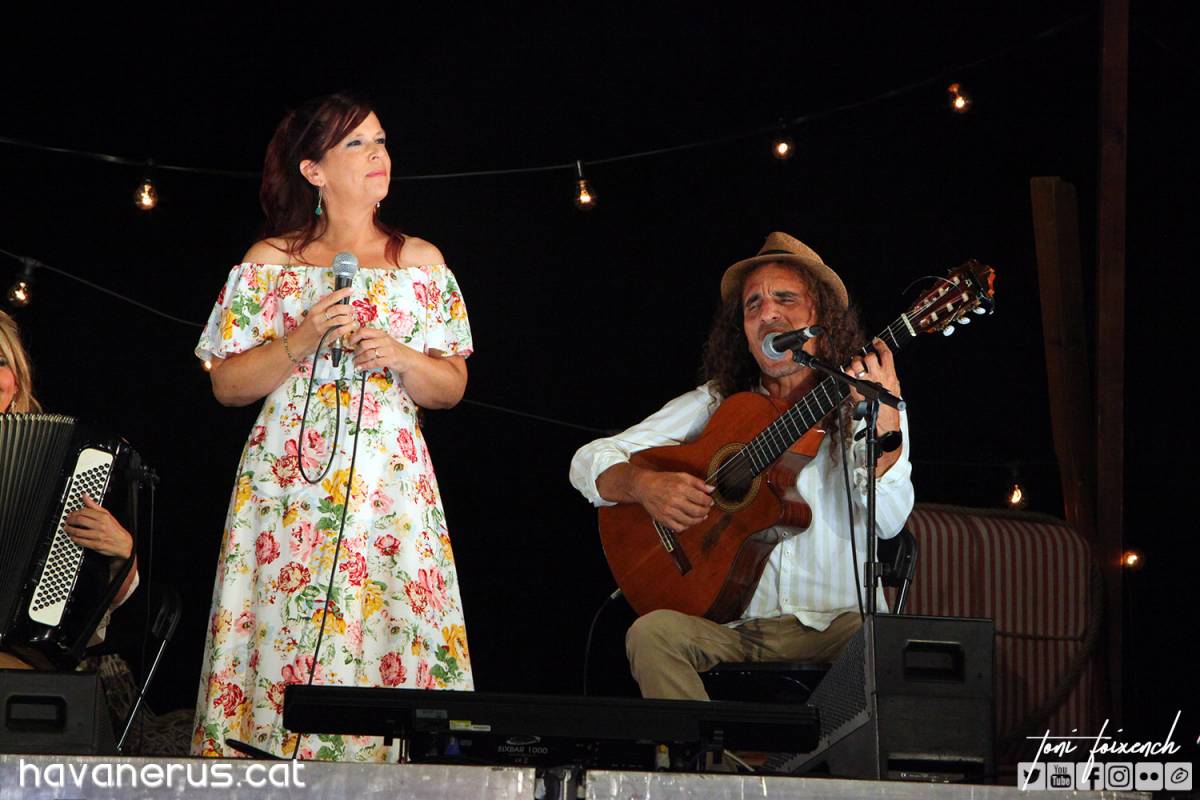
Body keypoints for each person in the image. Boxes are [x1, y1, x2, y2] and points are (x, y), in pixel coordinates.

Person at [191, 93, 474, 761]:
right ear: (313, 170)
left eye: (381, 140)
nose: (378, 154)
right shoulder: (271, 261)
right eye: (357, 144)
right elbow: (226, 384)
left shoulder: (420, 262)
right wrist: (301, 337)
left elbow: (452, 387)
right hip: (288, 487)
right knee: (285, 632)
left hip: (389, 486)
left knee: (389, 624)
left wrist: (401, 356)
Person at [569, 232, 914, 700]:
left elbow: (890, 521)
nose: (767, 312)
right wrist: (645, 485)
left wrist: (884, 425)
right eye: (753, 304)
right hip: (737, 629)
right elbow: (588, 461)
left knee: (880, 642)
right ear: (745, 333)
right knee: (651, 634)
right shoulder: (718, 403)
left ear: (821, 319)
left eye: (785, 299)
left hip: (838, 627)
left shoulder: (867, 401)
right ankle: (698, 751)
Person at [1, 309, 138, 666]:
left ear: (17, 381)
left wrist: (121, 552)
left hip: (22, 655)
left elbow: (99, 605)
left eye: (1, 362)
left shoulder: (56, 456)